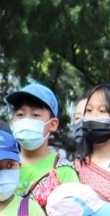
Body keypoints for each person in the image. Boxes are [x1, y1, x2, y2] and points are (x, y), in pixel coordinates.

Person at [7, 80, 79, 208]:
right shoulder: (2, 165)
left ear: (53, 124)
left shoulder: (63, 171)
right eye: (20, 114)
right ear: (13, 120)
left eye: (35, 115)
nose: (26, 120)